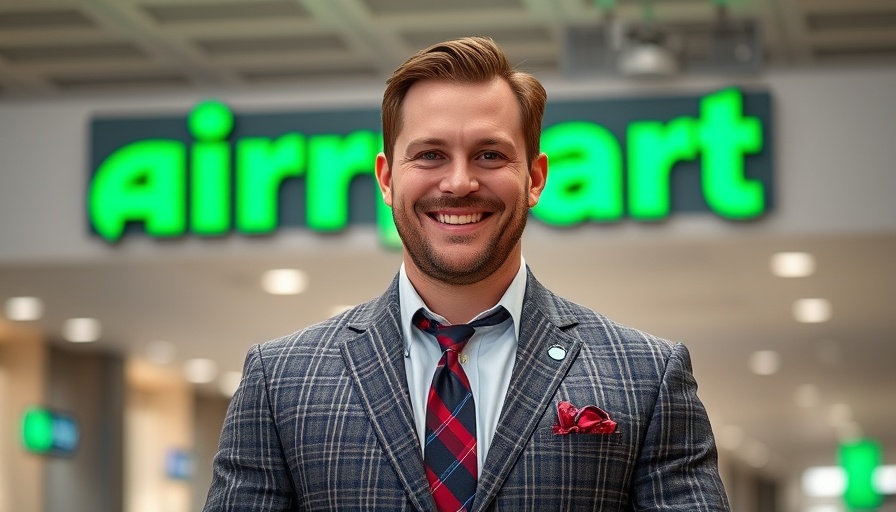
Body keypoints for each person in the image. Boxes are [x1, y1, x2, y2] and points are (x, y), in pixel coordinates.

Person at [203, 36, 730, 512]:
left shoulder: (647, 376)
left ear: (535, 178)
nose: (458, 183)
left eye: (489, 154)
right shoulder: (281, 382)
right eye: (430, 154)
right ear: (387, 179)